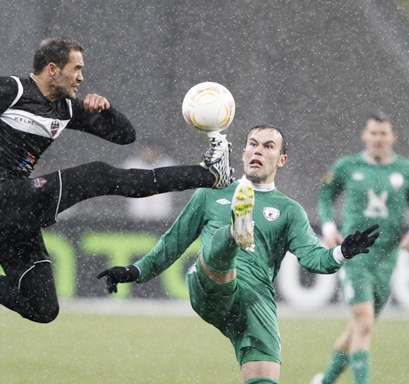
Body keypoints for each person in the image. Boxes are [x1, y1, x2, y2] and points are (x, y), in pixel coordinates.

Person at [0, 37, 234, 324]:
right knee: (99, 174)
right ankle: (209, 173)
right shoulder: (8, 90)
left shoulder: (66, 108)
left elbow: (126, 135)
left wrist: (106, 110)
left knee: (42, 309)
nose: (81, 77)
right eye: (76, 69)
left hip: (12, 215)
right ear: (52, 69)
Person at [97, 124, 380, 384]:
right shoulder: (210, 193)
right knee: (222, 251)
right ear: (243, 153)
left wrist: (342, 252)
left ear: (281, 160)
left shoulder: (290, 210)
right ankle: (235, 231)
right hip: (210, 285)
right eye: (253, 144)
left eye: (268, 146)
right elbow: (174, 241)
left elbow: (314, 258)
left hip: (254, 301)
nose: (258, 150)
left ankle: (237, 230)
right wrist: (136, 271)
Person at [310, 114, 409, 384]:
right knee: (364, 323)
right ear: (364, 135)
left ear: (393, 137)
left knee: (359, 328)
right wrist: (329, 227)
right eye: (373, 133)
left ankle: (324, 380)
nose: (378, 139)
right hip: (355, 256)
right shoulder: (346, 166)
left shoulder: (405, 170)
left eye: (383, 134)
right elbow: (325, 196)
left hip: (386, 259)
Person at [123, 143, 176, 221]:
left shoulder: (167, 165)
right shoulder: (132, 166)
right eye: (146, 151)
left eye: (151, 151)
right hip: (138, 214)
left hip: (161, 213)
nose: (149, 154)